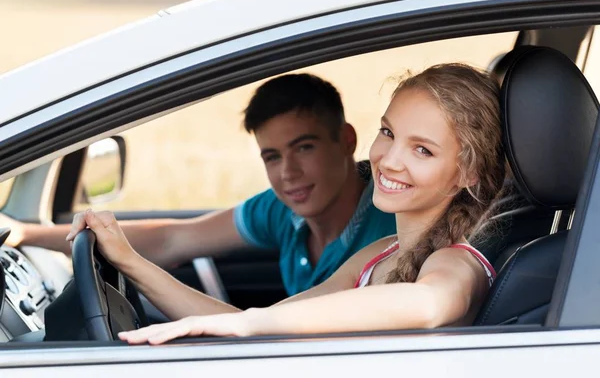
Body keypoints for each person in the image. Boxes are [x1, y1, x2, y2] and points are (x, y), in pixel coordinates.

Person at [72, 62, 506, 344]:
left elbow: (431, 305)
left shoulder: (455, 263)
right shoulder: (381, 255)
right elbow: (262, 323)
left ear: (467, 173)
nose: (388, 160)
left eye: (422, 150)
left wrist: (249, 323)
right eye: (389, 133)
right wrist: (129, 261)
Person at [2, 73, 397, 296]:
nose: (287, 173)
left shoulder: (390, 225)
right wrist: (26, 234)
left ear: (346, 140)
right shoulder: (281, 210)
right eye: (271, 157)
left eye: (304, 148)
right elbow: (176, 239)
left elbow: (279, 327)